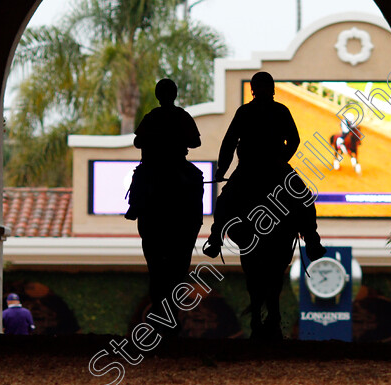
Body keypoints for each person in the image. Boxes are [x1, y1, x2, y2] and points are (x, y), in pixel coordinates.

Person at [203, 71, 326, 340]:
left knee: (225, 200)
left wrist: (223, 168)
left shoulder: (244, 112)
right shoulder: (281, 109)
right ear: (271, 89)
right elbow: (294, 140)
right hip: (275, 168)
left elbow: (228, 142)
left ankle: (215, 237)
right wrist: (281, 159)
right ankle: (313, 239)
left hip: (247, 170)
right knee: (304, 198)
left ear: (254, 90)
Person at [126, 78, 204, 335]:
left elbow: (138, 142)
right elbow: (195, 143)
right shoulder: (181, 116)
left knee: (141, 179)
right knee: (196, 180)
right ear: (174, 94)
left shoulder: (152, 116)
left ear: (160, 95)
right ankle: (195, 218)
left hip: (154, 169)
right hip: (176, 167)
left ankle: (135, 206)